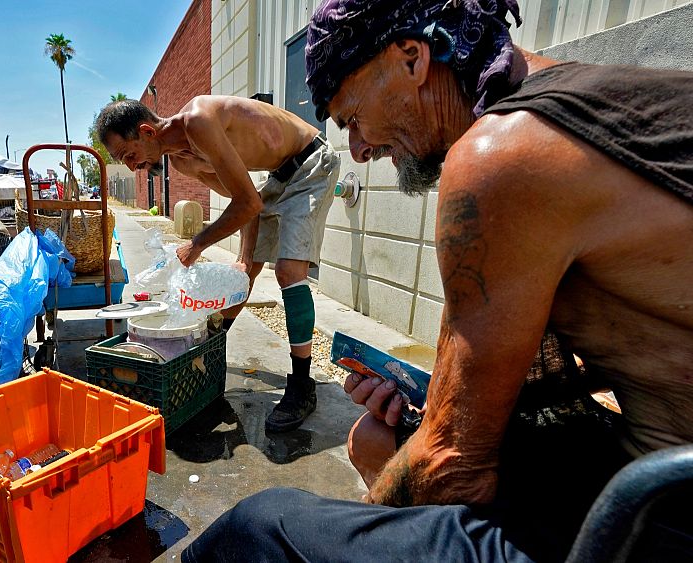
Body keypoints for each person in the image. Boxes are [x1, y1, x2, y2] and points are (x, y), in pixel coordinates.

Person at [182, 0, 693, 561]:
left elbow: (454, 468)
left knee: (260, 529)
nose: (357, 148)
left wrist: (368, 517)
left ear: (411, 58)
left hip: (661, 511)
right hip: (649, 472)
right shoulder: (587, 100)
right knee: (384, 440)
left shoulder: (503, 154)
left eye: (353, 117)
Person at [95, 96, 340, 432]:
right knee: (243, 276)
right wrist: (244, 261)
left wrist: (197, 244)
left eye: (129, 155)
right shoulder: (184, 162)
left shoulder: (198, 121)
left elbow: (247, 203)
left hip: (312, 162)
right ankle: (210, 354)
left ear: (146, 131)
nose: (132, 165)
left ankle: (302, 385)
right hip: (279, 177)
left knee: (288, 272)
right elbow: (248, 200)